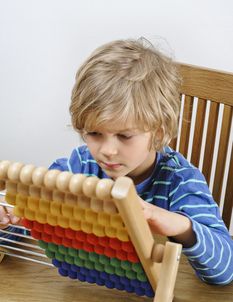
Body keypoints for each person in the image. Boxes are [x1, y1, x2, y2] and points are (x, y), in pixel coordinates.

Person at [1, 38, 232, 286]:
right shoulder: (77, 167)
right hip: (84, 289)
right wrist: (8, 222)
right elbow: (29, 226)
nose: (108, 151)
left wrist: (176, 224)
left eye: (124, 136)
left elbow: (225, 270)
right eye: (94, 134)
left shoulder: (180, 181)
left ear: (159, 130)